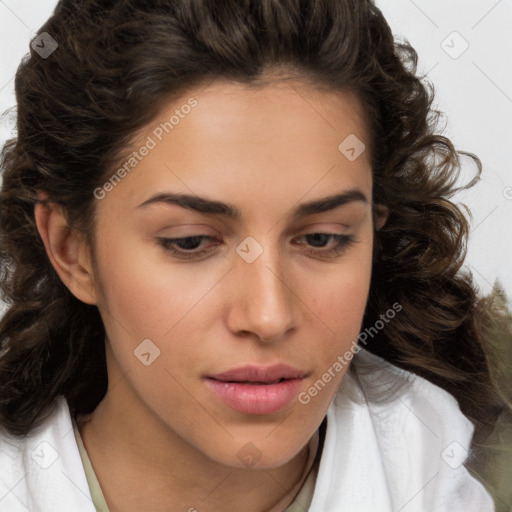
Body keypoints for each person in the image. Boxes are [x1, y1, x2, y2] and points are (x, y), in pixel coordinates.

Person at [0, 0, 510, 511]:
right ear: (73, 251)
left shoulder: (439, 477)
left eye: (322, 238)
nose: (268, 316)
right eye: (191, 242)